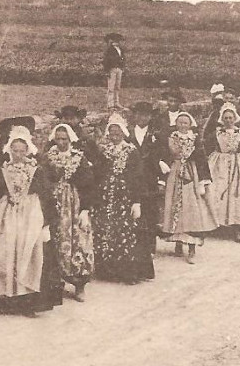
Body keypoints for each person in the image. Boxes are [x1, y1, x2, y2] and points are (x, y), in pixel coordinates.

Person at [0, 125, 61, 316]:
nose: (18, 154)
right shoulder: (4, 169)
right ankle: (7, 300)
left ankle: (29, 302)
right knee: (7, 253)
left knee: (30, 254)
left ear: (28, 150)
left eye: (21, 151)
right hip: (8, 215)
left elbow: (47, 196)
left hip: (30, 214)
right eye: (14, 151)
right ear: (9, 150)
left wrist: (47, 223)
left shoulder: (36, 170)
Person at [42, 124, 96, 301]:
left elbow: (88, 185)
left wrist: (85, 209)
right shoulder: (49, 157)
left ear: (70, 139)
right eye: (58, 139)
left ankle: (79, 285)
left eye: (64, 139)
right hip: (54, 205)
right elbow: (43, 181)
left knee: (78, 242)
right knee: (54, 241)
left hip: (74, 205)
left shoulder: (79, 158)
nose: (61, 142)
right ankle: (56, 283)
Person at [92, 113, 148, 280]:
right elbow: (98, 175)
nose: (115, 137)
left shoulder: (132, 152)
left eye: (118, 134)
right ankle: (107, 271)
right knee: (106, 231)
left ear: (124, 133)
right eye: (112, 134)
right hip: (106, 197)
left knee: (126, 232)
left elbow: (138, 177)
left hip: (125, 198)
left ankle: (128, 272)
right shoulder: (104, 151)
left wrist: (136, 201)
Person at [159, 111, 216, 263]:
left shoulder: (195, 139)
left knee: (192, 209)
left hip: (191, 174)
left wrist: (203, 180)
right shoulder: (171, 138)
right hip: (175, 172)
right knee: (174, 207)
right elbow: (165, 155)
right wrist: (163, 169)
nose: (183, 125)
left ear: (190, 125)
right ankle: (178, 242)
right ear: (176, 124)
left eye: (186, 123)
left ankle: (192, 247)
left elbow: (201, 159)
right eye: (180, 122)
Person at [204, 103, 240, 243]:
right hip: (218, 165)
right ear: (222, 118)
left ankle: (237, 229)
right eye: (226, 117)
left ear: (235, 118)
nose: (228, 120)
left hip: (237, 165)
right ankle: (214, 226)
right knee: (217, 193)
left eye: (231, 117)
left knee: (236, 195)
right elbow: (207, 149)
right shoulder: (215, 134)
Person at [126, 102, 162, 275]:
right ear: (134, 116)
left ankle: (151, 246)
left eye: (146, 115)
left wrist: (161, 177)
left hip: (149, 178)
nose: (143, 118)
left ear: (151, 117)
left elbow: (162, 156)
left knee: (150, 211)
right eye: (139, 114)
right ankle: (132, 246)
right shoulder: (127, 134)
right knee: (132, 211)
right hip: (131, 178)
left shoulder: (156, 135)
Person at [103, 33, 126, 110]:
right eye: (120, 41)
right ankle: (110, 104)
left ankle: (116, 102)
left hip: (119, 69)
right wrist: (106, 70)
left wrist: (122, 67)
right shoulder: (109, 49)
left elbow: (123, 59)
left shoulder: (121, 50)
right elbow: (106, 61)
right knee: (111, 87)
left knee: (117, 87)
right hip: (112, 69)